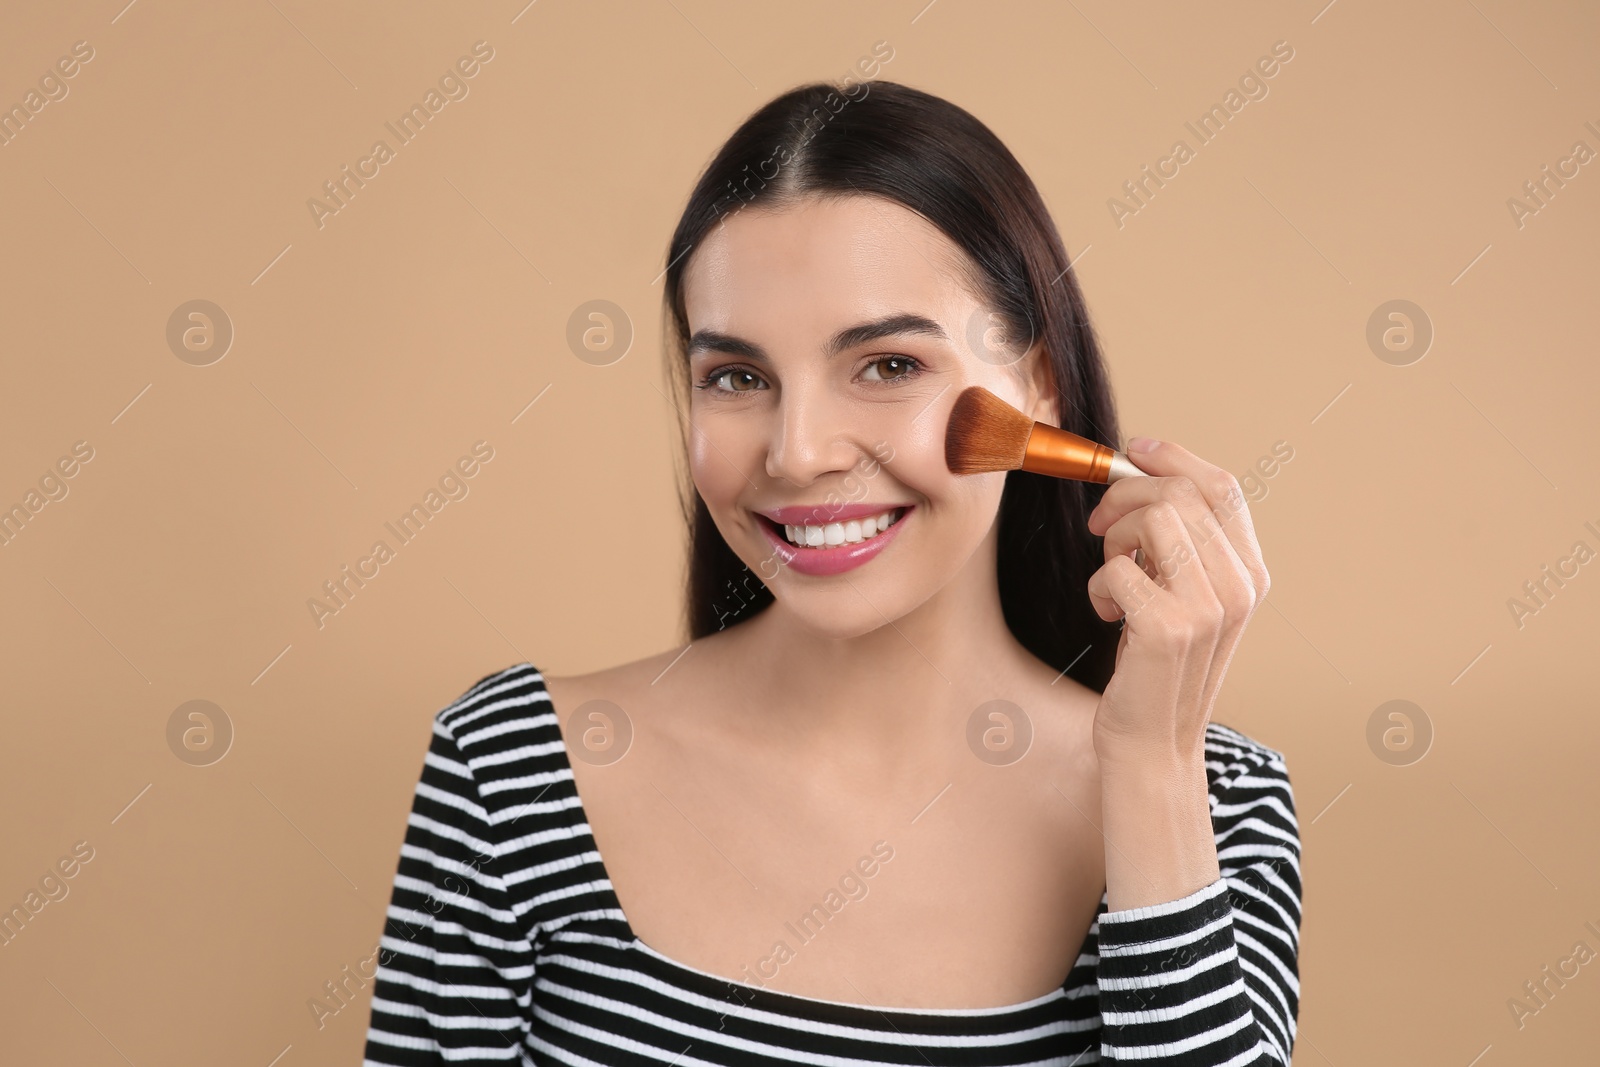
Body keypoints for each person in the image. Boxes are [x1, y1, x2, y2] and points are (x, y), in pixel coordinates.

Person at [362, 79, 1300, 1065]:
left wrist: (1152, 769)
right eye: (737, 377)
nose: (797, 451)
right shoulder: (505, 775)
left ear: (1036, 388)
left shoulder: (1218, 805)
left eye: (888, 363)